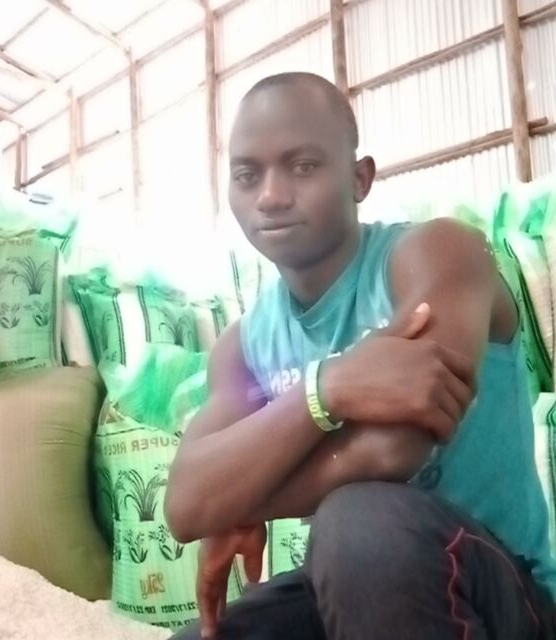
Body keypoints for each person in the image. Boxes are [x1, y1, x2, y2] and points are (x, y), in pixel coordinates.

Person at [163, 72, 556, 639]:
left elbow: (392, 448)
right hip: (356, 583)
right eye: (247, 175)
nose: (270, 196)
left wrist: (240, 499)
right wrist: (329, 387)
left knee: (359, 524)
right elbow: (185, 504)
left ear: (359, 178)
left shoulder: (436, 254)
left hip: (498, 588)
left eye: (303, 166)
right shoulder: (244, 346)